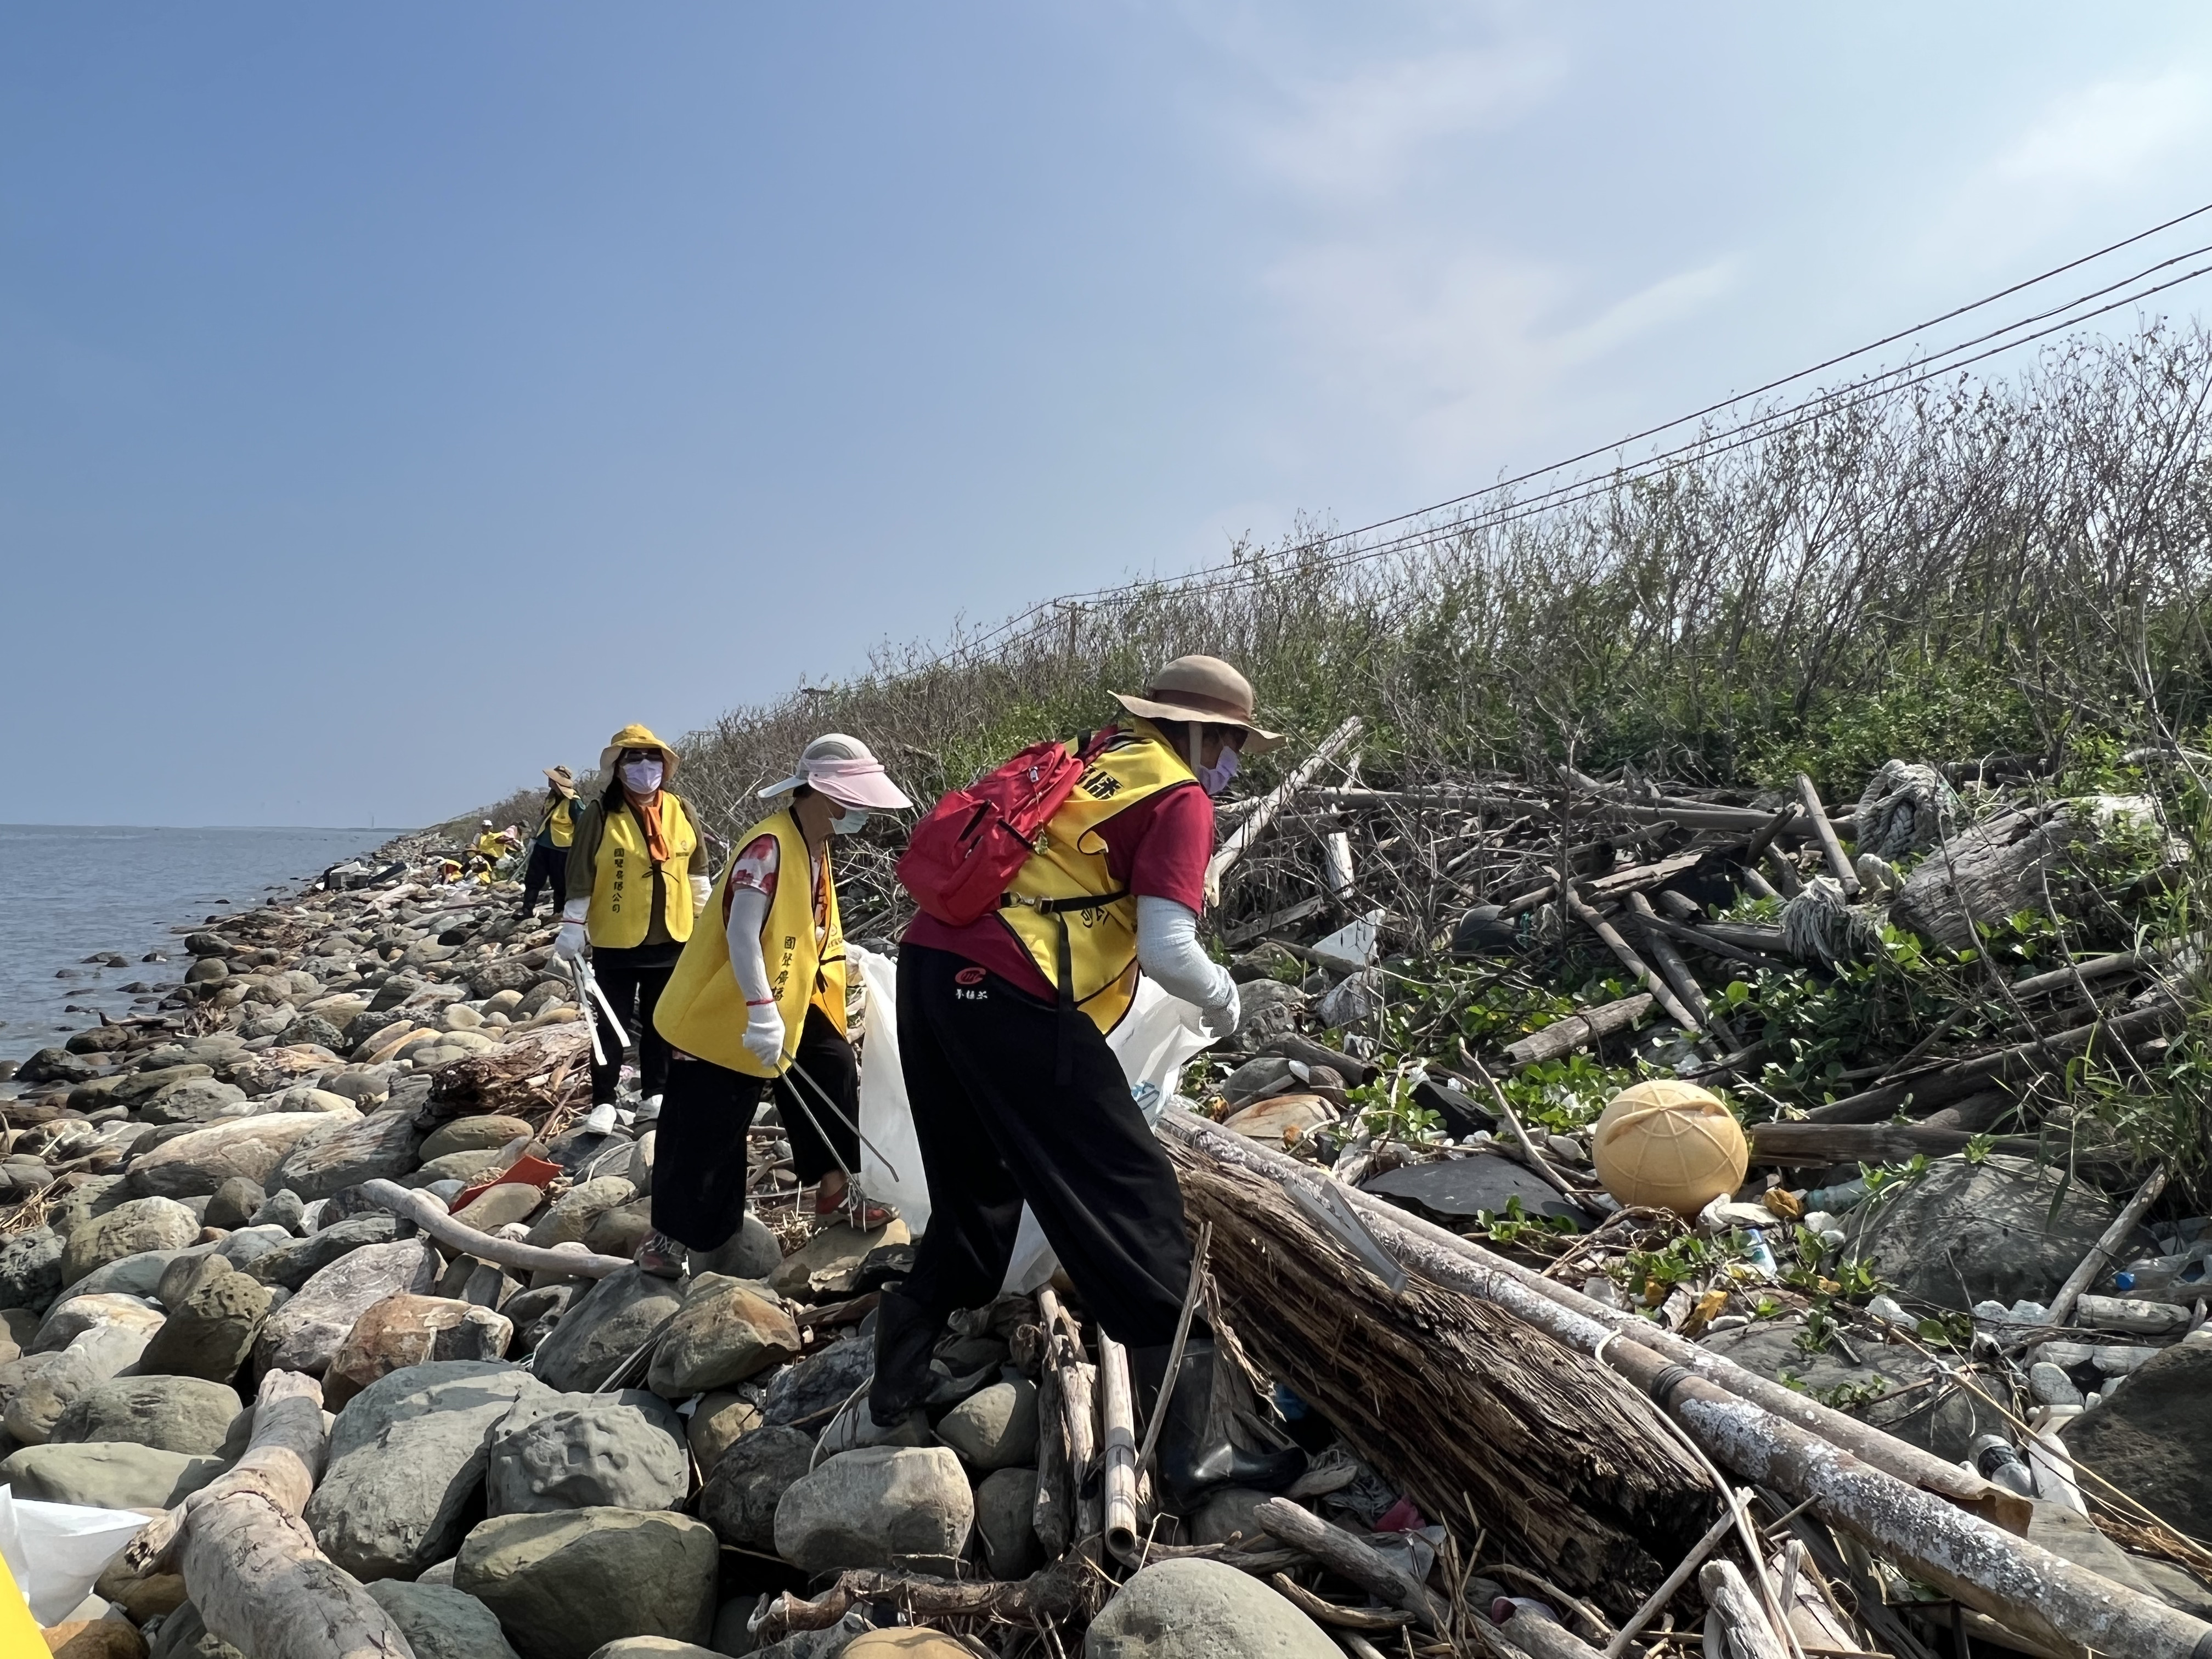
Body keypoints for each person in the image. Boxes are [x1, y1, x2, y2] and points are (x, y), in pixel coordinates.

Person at [874, 654, 1303, 1506]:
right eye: (1233, 745)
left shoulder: (1083, 756)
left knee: (980, 1189)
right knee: (1133, 1196)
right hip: (1009, 995)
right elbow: (1169, 950)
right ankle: (1198, 1448)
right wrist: (1224, 1005)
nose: (1233, 764)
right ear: (1203, 733)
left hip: (930, 970)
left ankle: (901, 1357)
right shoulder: (1179, 796)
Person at [645, 736, 913, 1277]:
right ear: (821, 794)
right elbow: (742, 934)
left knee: (832, 1063)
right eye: (852, 801)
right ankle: (670, 1239)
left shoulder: (815, 844)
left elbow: (803, 924)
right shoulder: (768, 847)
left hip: (788, 996)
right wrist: (761, 1011)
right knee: (708, 1121)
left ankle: (836, 1190)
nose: (859, 812)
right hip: (724, 1010)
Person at [556, 725, 707, 1137]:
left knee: (662, 1021)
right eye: (633, 759)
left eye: (652, 758)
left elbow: (697, 871)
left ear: (666, 764)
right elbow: (583, 871)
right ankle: (604, 1100)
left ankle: (654, 1095)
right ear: (618, 768)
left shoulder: (681, 809)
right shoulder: (601, 813)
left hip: (673, 937)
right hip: (617, 940)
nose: (645, 767)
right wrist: (573, 925)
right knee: (608, 1023)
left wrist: (708, 922)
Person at [522, 766, 579, 918]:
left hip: (562, 848)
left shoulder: (573, 802)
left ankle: (559, 912)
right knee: (533, 878)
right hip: (543, 844)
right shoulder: (551, 799)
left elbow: (582, 825)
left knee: (560, 882)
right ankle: (527, 909)